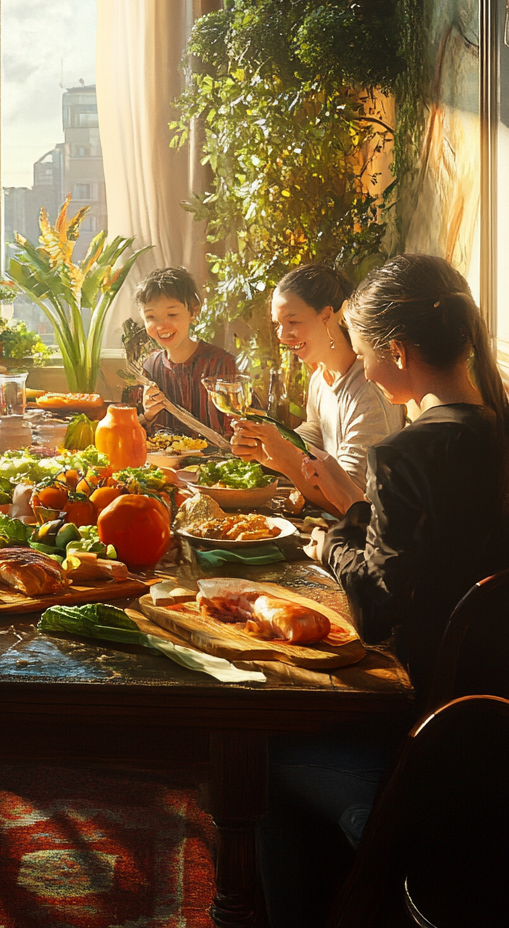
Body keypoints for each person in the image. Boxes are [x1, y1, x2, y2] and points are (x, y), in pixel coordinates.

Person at [257, 254, 509, 928]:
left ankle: (367, 846)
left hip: (428, 732)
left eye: (367, 354)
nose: (364, 369)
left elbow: (375, 607)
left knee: (260, 750)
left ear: (397, 352)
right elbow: (440, 562)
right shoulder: (496, 431)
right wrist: (355, 517)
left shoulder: (407, 454)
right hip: (494, 716)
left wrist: (331, 540)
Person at [231, 263, 402, 512]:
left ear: (327, 315)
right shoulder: (320, 377)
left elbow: (350, 503)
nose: (282, 335)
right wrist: (269, 439)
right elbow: (318, 432)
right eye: (278, 324)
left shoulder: (368, 390)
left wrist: (287, 459)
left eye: (292, 321)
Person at [135, 266, 239, 438]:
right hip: (162, 464)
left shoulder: (222, 365)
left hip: (215, 463)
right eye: (151, 317)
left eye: (172, 314)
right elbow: (132, 432)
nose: (162, 325)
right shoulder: (149, 368)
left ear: (193, 310)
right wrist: (148, 414)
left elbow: (244, 430)